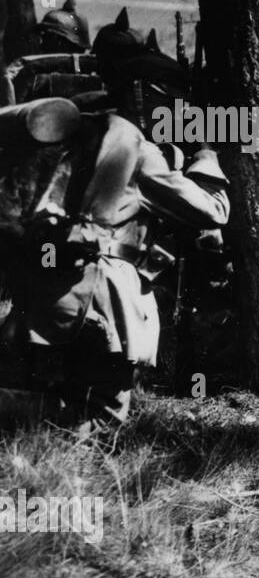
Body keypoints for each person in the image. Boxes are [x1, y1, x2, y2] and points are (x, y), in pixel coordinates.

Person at [0, 92, 230, 427]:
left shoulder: (68, 142)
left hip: (43, 291)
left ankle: (34, 452)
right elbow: (212, 212)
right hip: (99, 298)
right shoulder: (137, 150)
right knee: (101, 414)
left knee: (53, 391)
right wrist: (206, 158)